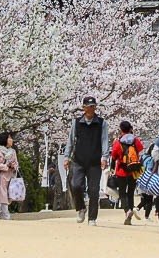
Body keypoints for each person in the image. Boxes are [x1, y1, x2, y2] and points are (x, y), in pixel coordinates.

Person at [63, 95, 109, 227]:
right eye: (89, 106)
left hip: (95, 161)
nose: (91, 109)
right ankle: (81, 208)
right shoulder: (76, 123)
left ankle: (92, 218)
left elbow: (105, 141)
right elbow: (70, 141)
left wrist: (104, 157)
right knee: (76, 185)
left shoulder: (101, 123)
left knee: (93, 190)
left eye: (93, 106)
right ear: (83, 108)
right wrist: (66, 157)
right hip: (79, 159)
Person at [110, 120, 144, 225]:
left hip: (121, 171)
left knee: (122, 193)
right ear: (130, 129)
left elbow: (114, 157)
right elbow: (141, 151)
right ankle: (130, 212)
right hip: (133, 171)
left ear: (121, 130)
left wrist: (112, 168)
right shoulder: (136, 140)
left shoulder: (118, 142)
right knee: (131, 193)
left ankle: (127, 211)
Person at [0, 131, 19, 220]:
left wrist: (13, 166)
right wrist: (6, 166)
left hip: (11, 175)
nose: (11, 140)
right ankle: (6, 215)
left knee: (9, 195)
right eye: (9, 138)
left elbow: (16, 163)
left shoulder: (13, 151)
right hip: (1, 175)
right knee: (3, 195)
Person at [134, 143, 156, 221]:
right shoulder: (152, 159)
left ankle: (137, 208)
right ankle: (146, 216)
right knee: (150, 199)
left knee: (144, 199)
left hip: (140, 178)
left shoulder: (143, 156)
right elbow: (150, 170)